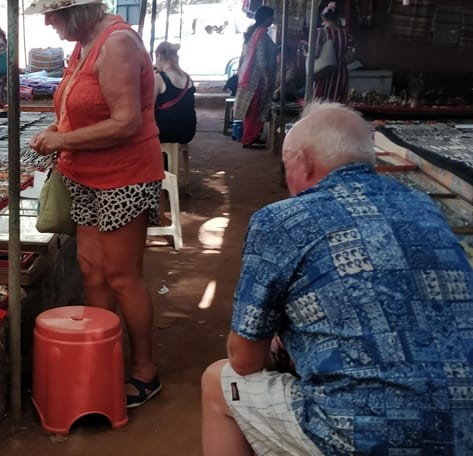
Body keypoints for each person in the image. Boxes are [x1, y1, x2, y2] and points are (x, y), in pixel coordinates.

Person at [200, 101, 473, 455]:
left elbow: (245, 360)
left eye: (287, 167)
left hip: (363, 436)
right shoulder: (425, 207)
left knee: (220, 382)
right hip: (462, 431)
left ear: (305, 163)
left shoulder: (281, 220)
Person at [27, 0, 165, 408]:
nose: (48, 22)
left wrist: (63, 140)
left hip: (123, 175)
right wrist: (58, 127)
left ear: (77, 11)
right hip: (84, 175)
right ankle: (99, 357)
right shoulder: (83, 42)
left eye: (53, 15)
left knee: (122, 276)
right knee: (93, 272)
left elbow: (126, 122)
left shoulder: (117, 42)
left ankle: (144, 371)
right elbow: (83, 107)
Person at [233, 6, 275, 149]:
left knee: (251, 108)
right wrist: (266, 76)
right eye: (271, 17)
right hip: (257, 78)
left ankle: (249, 136)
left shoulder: (252, 32)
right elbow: (261, 57)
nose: (273, 20)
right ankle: (250, 137)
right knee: (255, 108)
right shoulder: (261, 34)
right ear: (266, 18)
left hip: (248, 75)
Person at [153, 42, 196, 145]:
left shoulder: (159, 78)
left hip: (166, 133)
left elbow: (148, 108)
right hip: (188, 133)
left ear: (158, 56)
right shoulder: (187, 77)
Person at [313, 2, 354, 103]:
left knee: (321, 106)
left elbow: (316, 53)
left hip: (324, 75)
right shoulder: (346, 34)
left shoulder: (321, 32)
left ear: (323, 18)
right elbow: (350, 58)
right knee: (337, 105)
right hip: (341, 76)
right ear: (337, 18)